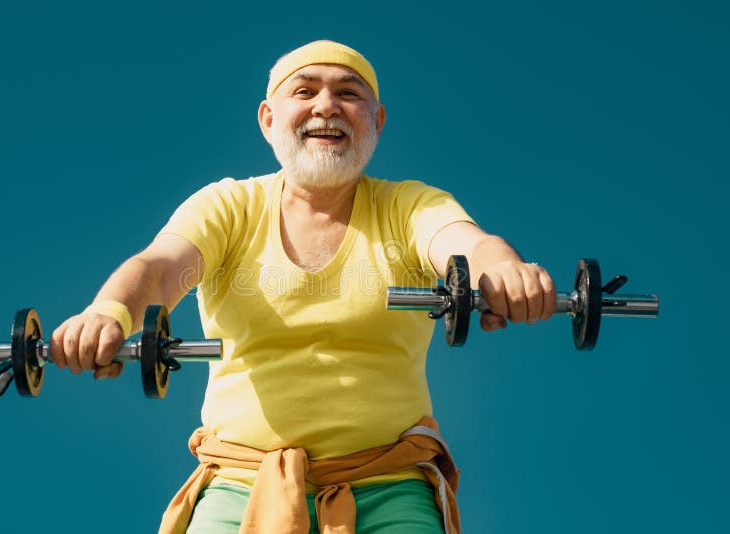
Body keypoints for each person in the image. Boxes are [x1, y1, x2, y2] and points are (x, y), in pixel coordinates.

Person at [49, 40, 557, 534]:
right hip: (240, 484)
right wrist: (108, 313)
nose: (327, 106)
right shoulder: (228, 207)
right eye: (306, 90)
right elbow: (160, 268)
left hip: (390, 484)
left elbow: (466, 245)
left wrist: (505, 270)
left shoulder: (411, 207)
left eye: (349, 93)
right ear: (269, 119)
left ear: (377, 122)